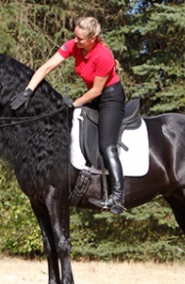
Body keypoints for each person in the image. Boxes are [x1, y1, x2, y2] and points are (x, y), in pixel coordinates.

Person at [10, 17, 126, 215]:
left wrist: (72, 104)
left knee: (107, 145)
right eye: (75, 36)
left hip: (110, 98)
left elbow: (96, 91)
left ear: (93, 38)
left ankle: (117, 196)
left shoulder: (103, 55)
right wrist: (28, 91)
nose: (75, 41)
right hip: (93, 96)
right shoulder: (74, 45)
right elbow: (46, 67)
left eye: (80, 38)